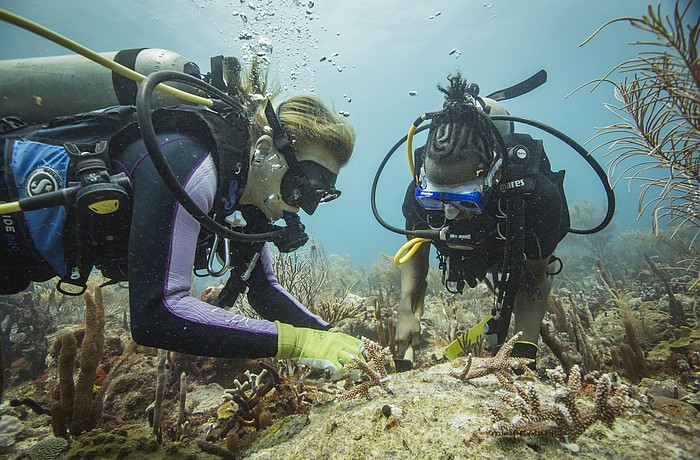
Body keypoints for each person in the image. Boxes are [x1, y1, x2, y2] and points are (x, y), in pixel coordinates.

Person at [0, 60, 364, 377]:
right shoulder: (193, 165)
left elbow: (263, 290)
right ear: (266, 150)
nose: (304, 208)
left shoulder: (245, 195)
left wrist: (328, 335)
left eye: (320, 196)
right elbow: (158, 314)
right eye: (303, 187)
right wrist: (299, 342)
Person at [395, 72, 569, 368]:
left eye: (464, 201)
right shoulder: (418, 192)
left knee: (531, 276)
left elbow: (535, 277)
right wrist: (407, 308)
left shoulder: (537, 199)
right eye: (435, 199)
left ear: (494, 176)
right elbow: (416, 249)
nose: (448, 214)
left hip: (511, 243)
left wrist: (525, 349)